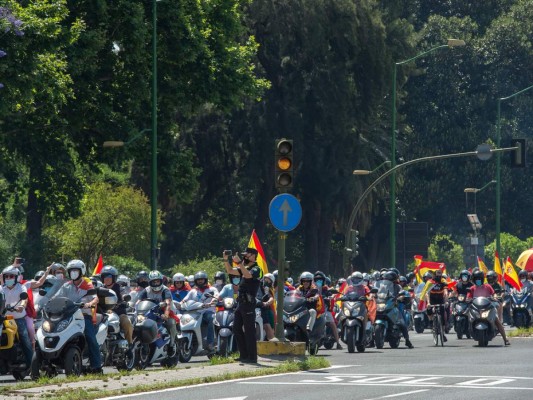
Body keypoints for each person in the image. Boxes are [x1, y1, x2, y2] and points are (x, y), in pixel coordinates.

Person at [51, 260, 101, 373]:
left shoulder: (88, 285)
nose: (73, 273)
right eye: (71, 271)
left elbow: (95, 298)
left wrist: (89, 304)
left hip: (83, 316)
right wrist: (49, 302)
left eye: (75, 270)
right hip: (67, 316)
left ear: (81, 271)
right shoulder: (66, 285)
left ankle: (96, 366)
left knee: (90, 337)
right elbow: (55, 297)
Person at [224, 247, 263, 364]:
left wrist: (240, 263)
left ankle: (252, 357)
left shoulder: (257, 269)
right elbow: (230, 271)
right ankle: (243, 355)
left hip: (249, 303)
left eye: (246, 255)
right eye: (244, 255)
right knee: (236, 328)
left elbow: (248, 276)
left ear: (253, 256)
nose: (244, 257)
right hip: (240, 303)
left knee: (249, 330)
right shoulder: (244, 267)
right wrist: (226, 260)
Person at [136, 271, 178, 354]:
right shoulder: (146, 290)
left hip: (166, 311)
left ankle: (171, 344)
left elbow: (168, 303)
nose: (156, 283)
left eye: (158, 281)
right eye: (154, 281)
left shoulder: (165, 290)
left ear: (161, 281)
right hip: (151, 312)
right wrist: (135, 311)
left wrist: (166, 315)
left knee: (171, 323)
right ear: (150, 282)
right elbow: (138, 302)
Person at [0, 266, 33, 368]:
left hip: (18, 319)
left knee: (25, 339)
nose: (8, 278)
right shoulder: (1, 288)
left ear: (16, 277)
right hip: (4, 319)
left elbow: (24, 298)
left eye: (11, 276)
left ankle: (32, 365)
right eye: (7, 276)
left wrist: (22, 306)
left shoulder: (21, 287)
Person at [467, 270, 510, 346]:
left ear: (482, 279)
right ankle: (469, 329)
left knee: (497, 321)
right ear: (473, 279)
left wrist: (496, 297)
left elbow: (494, 295)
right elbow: (468, 297)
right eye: (476, 279)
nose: (478, 280)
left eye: (479, 278)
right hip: (476, 308)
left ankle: (505, 339)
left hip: (488, 308)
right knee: (469, 317)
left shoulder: (488, 287)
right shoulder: (472, 288)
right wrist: (468, 300)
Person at [180, 271, 218, 351]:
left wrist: (213, 301)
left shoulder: (212, 289)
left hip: (207, 312)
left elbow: (216, 296)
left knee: (211, 319)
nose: (200, 281)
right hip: (195, 313)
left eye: (202, 279)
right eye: (198, 280)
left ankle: (210, 343)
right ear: (195, 281)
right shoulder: (193, 291)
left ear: (205, 280)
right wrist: (179, 304)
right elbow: (185, 300)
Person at [100, 266, 134, 352]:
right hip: (104, 314)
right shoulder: (100, 288)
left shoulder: (119, 288)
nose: (106, 279)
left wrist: (123, 299)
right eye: (105, 277)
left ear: (114, 278)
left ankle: (130, 345)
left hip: (119, 313)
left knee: (126, 322)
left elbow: (124, 294)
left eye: (109, 277)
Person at [314, 270, 342, 349]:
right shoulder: (312, 288)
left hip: (324, 309)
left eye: (320, 279)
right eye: (316, 279)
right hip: (314, 310)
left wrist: (329, 297)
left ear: (323, 280)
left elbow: (331, 295)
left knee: (332, 323)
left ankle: (338, 343)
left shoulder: (326, 288)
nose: (318, 281)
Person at [426, 269, 449, 341]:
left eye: (440, 273)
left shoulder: (443, 281)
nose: (439, 274)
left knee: (443, 313)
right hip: (432, 299)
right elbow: (427, 293)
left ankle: (443, 333)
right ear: (435, 274)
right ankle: (430, 322)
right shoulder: (430, 282)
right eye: (438, 273)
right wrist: (428, 303)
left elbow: (445, 291)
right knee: (429, 309)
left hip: (440, 299)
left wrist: (446, 301)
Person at [257, 273, 275, 340]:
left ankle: (272, 344)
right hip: (252, 307)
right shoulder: (256, 285)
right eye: (265, 279)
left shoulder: (267, 289)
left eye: (268, 280)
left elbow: (271, 298)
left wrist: (266, 303)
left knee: (267, 325)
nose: (266, 281)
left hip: (263, 308)